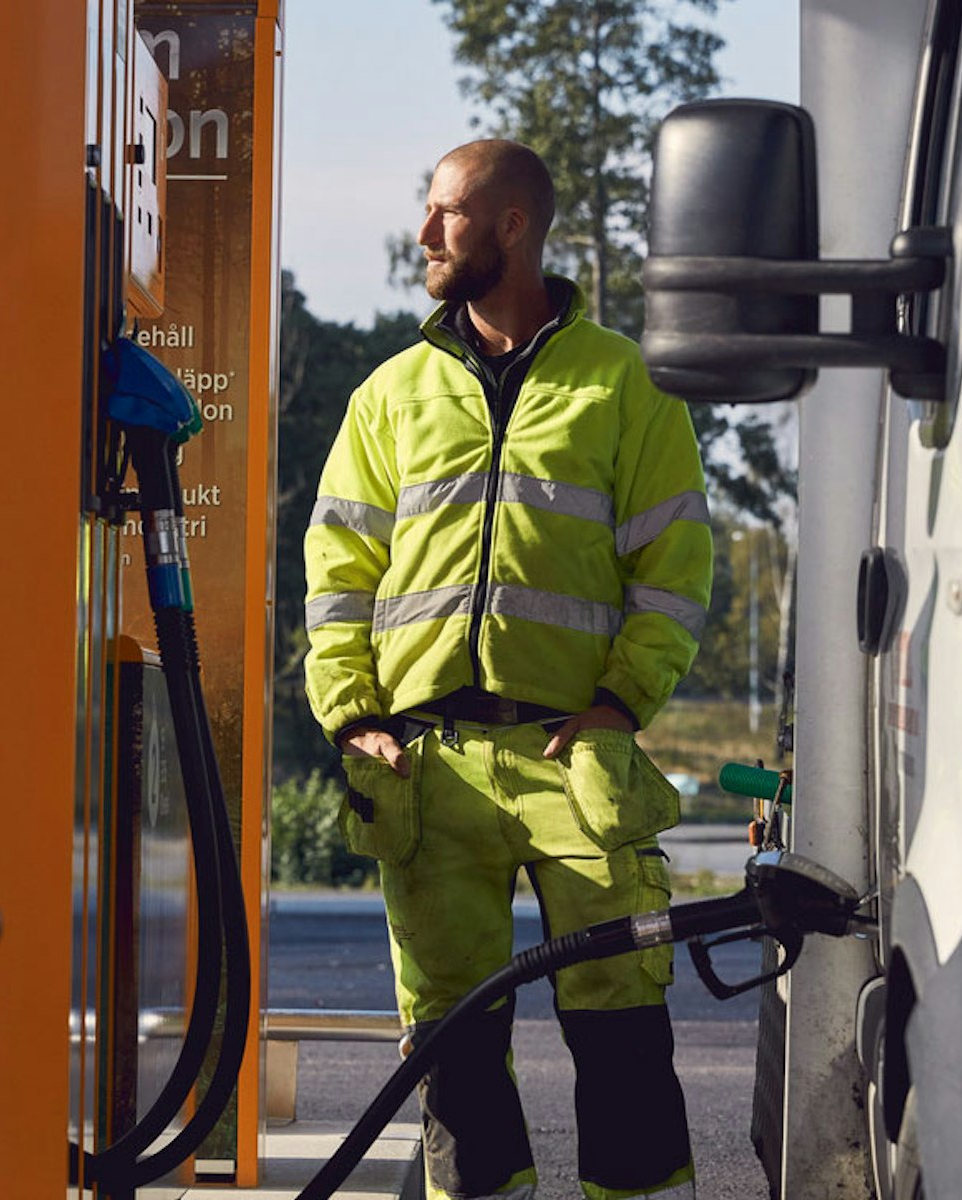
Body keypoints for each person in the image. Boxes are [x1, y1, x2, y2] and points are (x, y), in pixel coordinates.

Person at [303, 138, 713, 1200]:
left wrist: (621, 704)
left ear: (512, 226)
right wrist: (353, 717)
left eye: (446, 212)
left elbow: (674, 570)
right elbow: (337, 575)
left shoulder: (625, 383)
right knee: (453, 1043)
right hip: (425, 767)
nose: (425, 234)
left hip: (576, 759)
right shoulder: (390, 394)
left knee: (621, 1029)